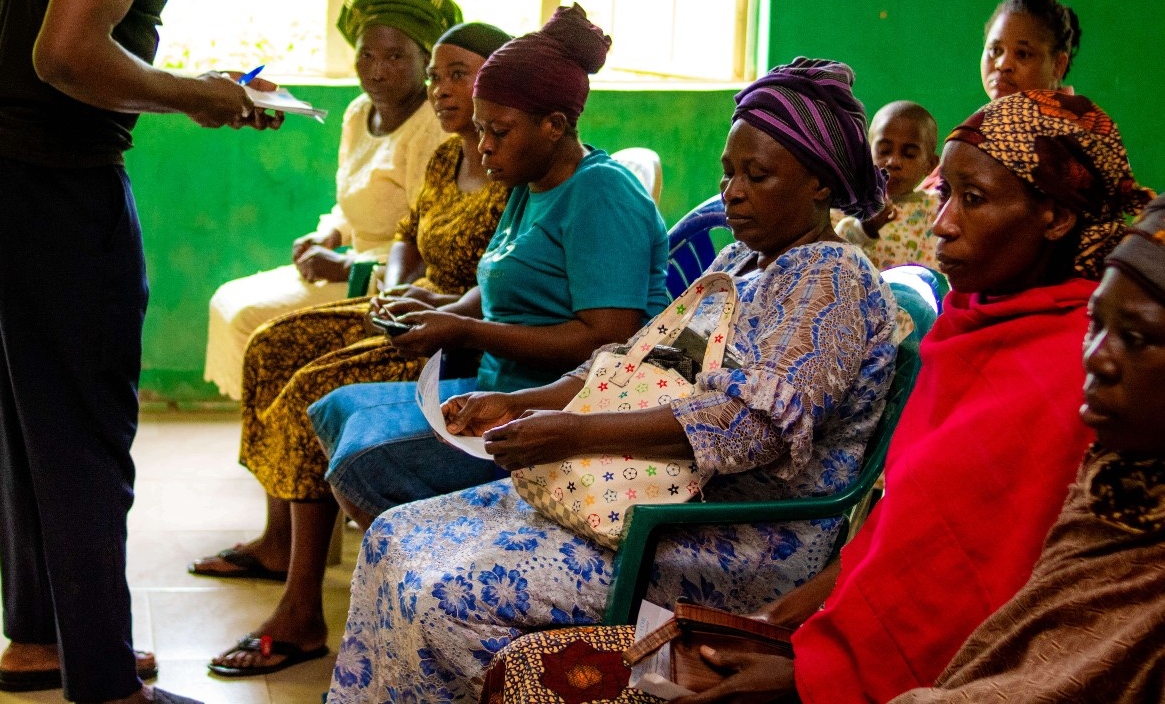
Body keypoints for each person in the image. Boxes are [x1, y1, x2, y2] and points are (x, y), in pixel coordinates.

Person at [474, 90, 1150, 704]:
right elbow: (891, 531)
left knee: (508, 644)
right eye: (944, 195)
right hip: (831, 634)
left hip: (882, 664)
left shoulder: (1070, 376)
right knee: (516, 651)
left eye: (971, 200)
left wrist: (805, 677)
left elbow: (992, 611)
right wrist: (776, 627)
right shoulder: (969, 335)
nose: (940, 224)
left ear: (1056, 216)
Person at [326, 58, 900, 704]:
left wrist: (573, 433)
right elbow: (635, 360)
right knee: (392, 538)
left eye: (756, 175)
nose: (732, 191)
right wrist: (521, 402)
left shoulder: (832, 282)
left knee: (442, 599)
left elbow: (749, 429)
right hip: (648, 494)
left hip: (734, 536)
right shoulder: (744, 261)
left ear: (821, 184)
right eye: (728, 171)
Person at [0, 0, 316, 704]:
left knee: (36, 415)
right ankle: (106, 685)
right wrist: (197, 95)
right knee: (85, 429)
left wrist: (195, 84)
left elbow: (69, 42)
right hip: (53, 180)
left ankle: (43, 641)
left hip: (1, 160)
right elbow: (65, 52)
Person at [192, 22, 512, 676]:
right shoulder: (451, 155)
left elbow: (510, 277)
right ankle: (279, 539)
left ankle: (301, 610)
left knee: (311, 386)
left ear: (501, 82)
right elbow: (407, 235)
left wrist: (432, 306)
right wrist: (394, 290)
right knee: (272, 344)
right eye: (439, 76)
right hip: (413, 306)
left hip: (458, 336)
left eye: (459, 74)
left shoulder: (516, 164)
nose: (442, 89)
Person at [309, 5, 672, 536]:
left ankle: (443, 552)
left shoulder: (601, 195)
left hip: (560, 414)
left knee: (364, 460)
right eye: (480, 130)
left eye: (498, 132)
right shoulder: (532, 183)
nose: (484, 147)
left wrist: (464, 330)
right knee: (336, 407)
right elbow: (503, 277)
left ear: (554, 126)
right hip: (498, 384)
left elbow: (608, 337)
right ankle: (422, 544)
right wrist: (443, 307)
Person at [890, 193, 1165, 701]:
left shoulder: (1058, 383)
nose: (1097, 360)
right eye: (1095, 325)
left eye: (1138, 337)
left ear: (1056, 216)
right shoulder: (1114, 482)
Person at [202, 0, 454, 399]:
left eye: (396, 57)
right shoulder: (359, 113)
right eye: (366, 55)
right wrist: (327, 234)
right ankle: (277, 428)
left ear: (425, 60)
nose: (376, 71)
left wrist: (342, 266)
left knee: (250, 317)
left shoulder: (433, 129)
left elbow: (424, 249)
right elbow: (350, 199)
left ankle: (292, 428)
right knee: (227, 300)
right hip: (350, 260)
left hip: (382, 281)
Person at [834, 100, 941, 271]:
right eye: (884, 151)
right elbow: (828, 258)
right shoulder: (845, 205)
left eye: (909, 154)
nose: (894, 162)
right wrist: (862, 229)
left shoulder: (938, 210)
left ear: (930, 164)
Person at [979, 0, 1081, 101]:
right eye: (995, 50)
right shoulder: (994, 116)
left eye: (1022, 54)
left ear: (1058, 65)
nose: (1003, 65)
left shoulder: (1071, 118)